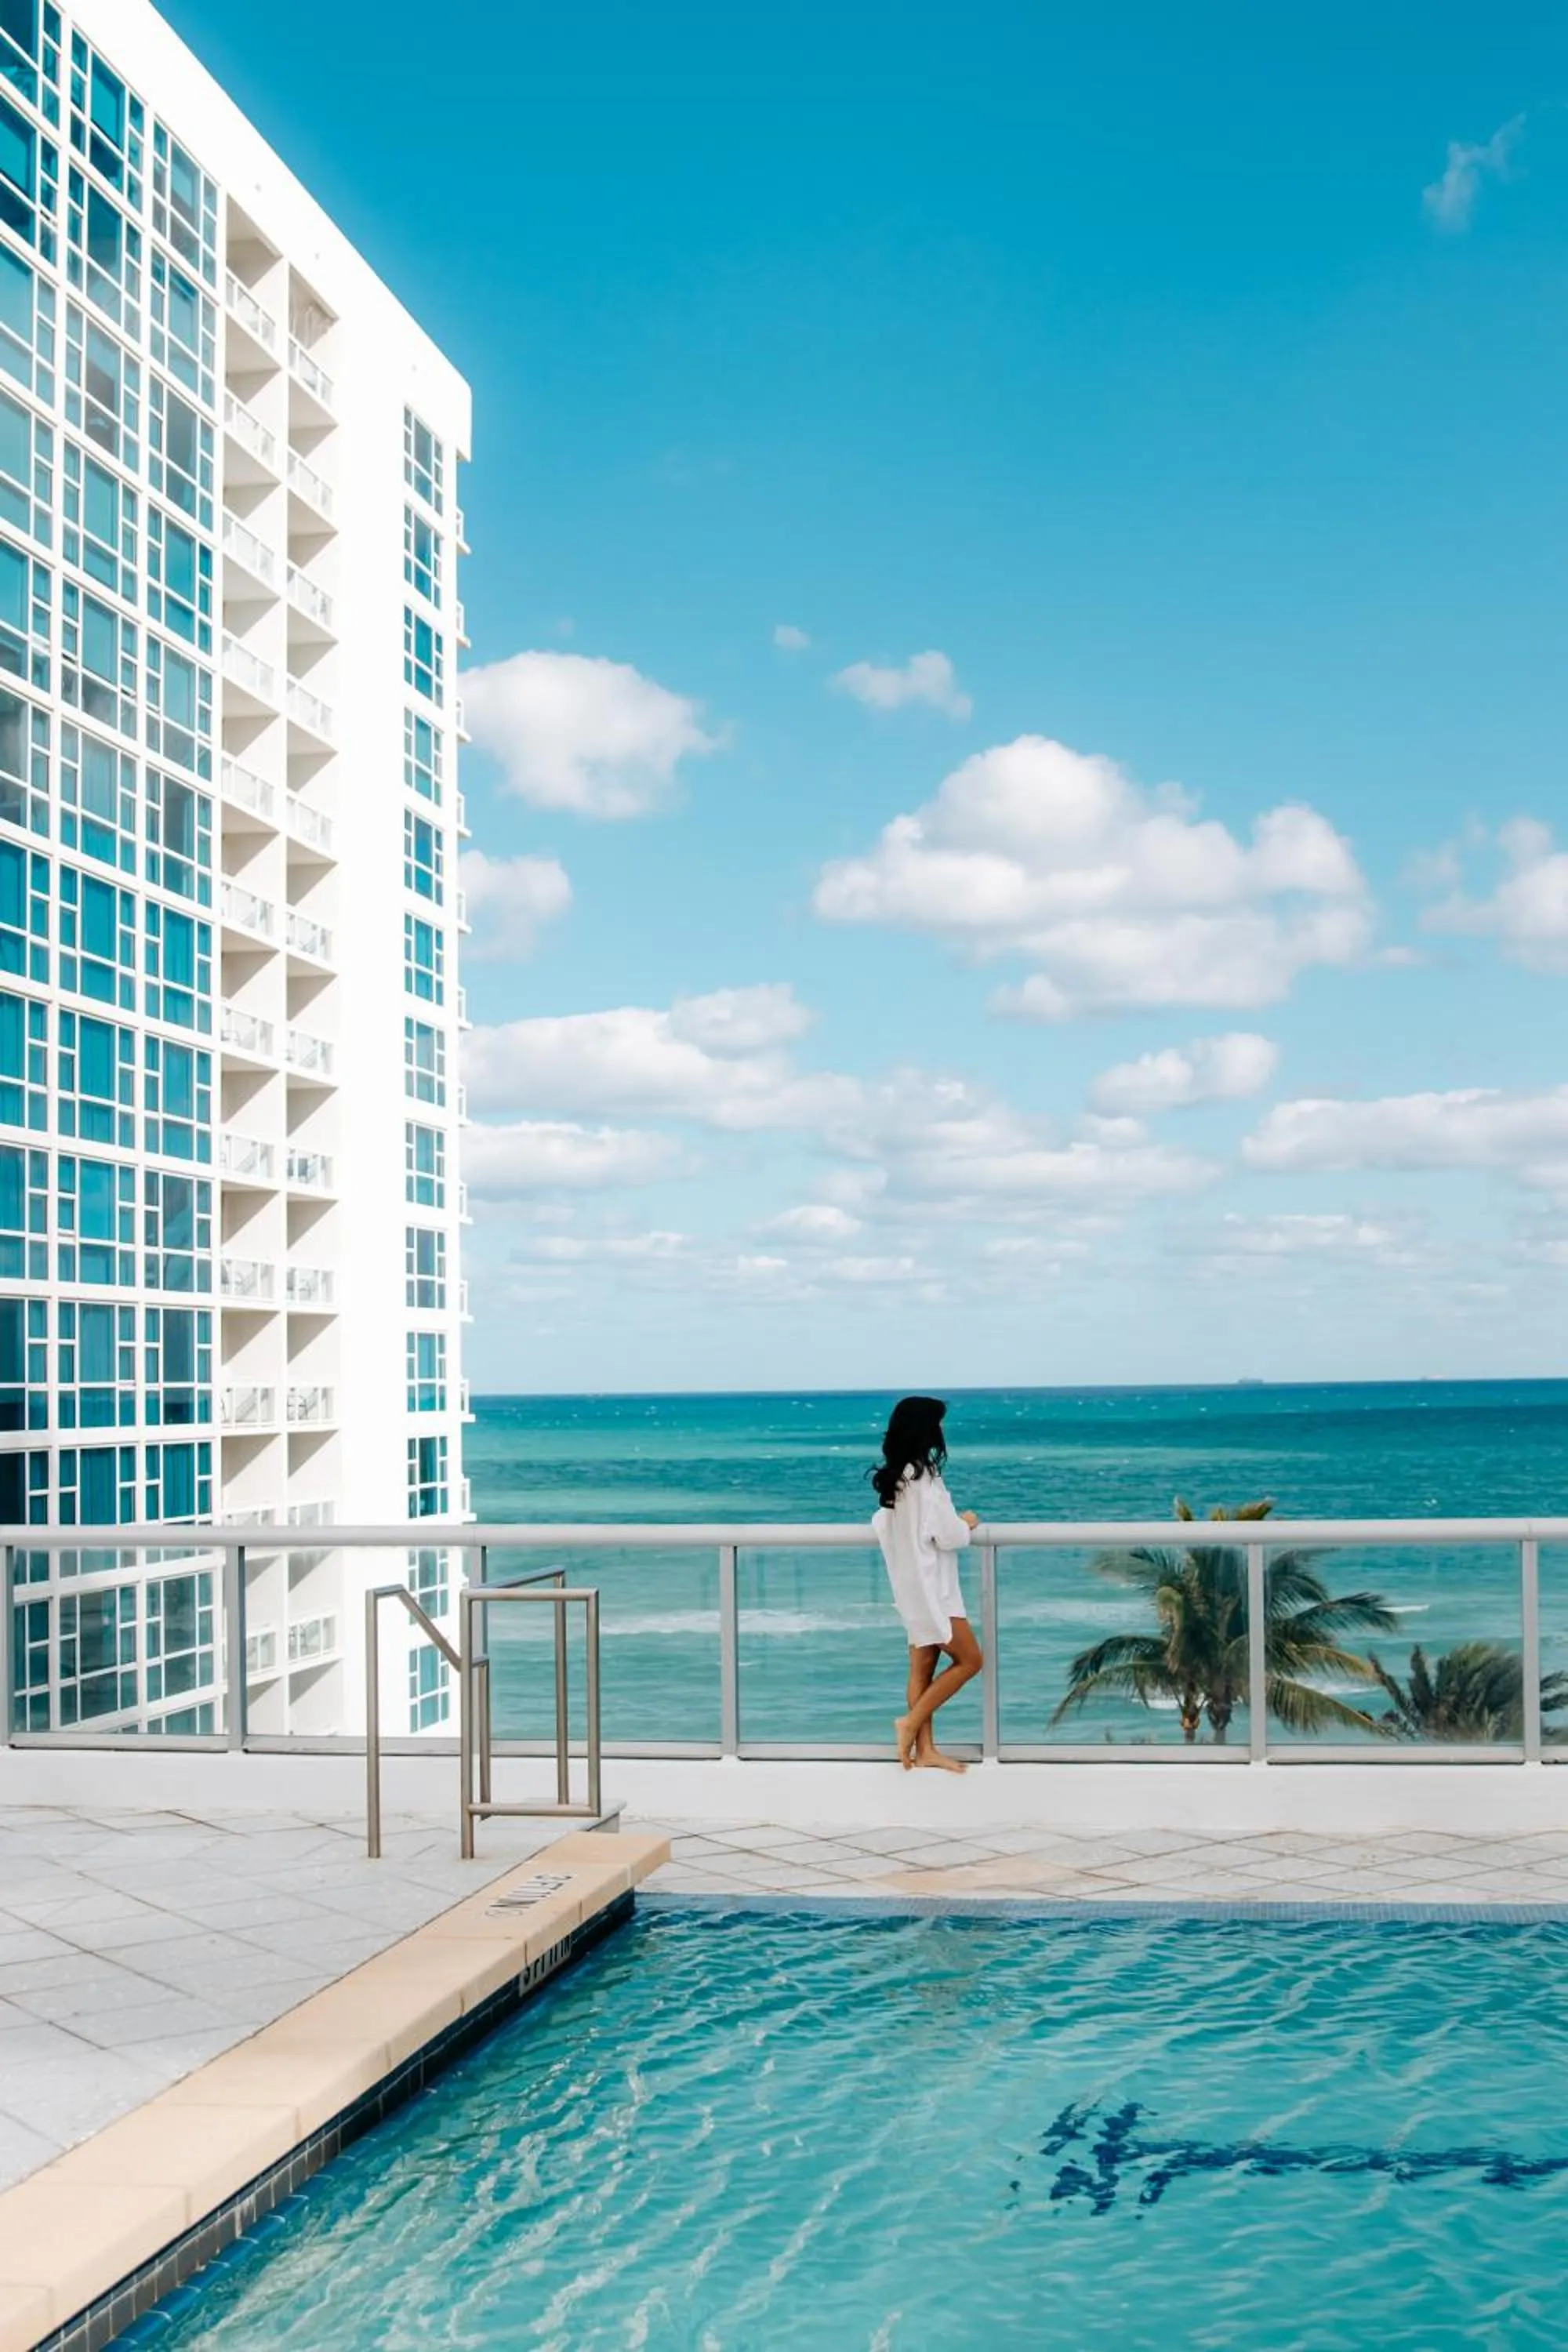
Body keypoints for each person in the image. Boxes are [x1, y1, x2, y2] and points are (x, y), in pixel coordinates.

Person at [869, 1396, 984, 1772]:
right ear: (927, 1429)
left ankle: (925, 1751)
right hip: (936, 1591)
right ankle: (910, 1723)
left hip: (911, 1589)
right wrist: (966, 1523)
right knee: (970, 1661)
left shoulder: (898, 1478)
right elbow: (947, 1535)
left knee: (923, 1666)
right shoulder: (924, 1477)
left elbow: (882, 1524)